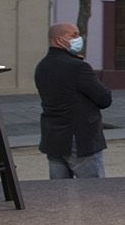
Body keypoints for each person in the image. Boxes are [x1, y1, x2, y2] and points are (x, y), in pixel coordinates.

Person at [34, 22, 111, 179]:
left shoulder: (42, 66)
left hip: (53, 137)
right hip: (79, 137)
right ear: (59, 39)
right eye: (73, 35)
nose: (79, 39)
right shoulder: (77, 67)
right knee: (93, 191)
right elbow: (104, 98)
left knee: (60, 191)